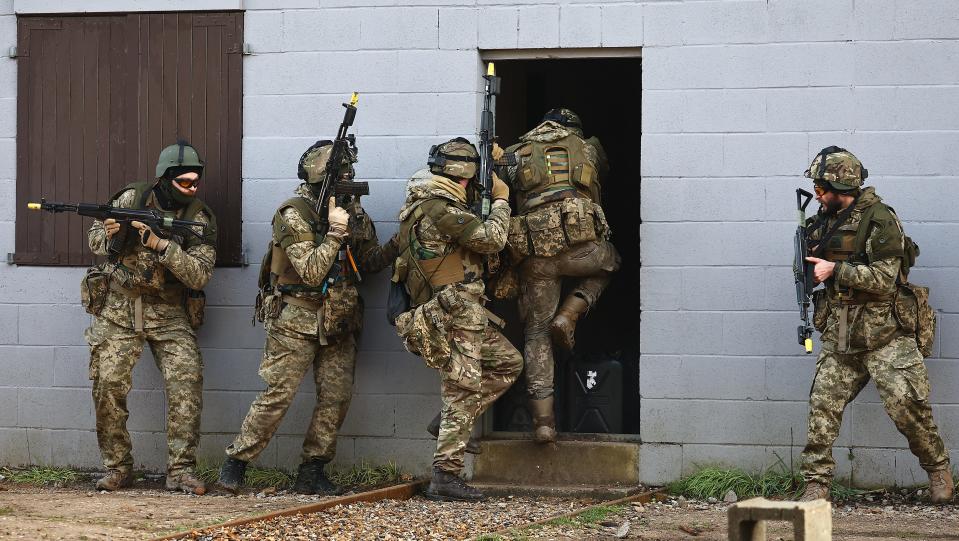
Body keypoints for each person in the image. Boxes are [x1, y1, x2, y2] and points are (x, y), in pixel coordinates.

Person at [217, 140, 395, 495]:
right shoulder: (292, 213)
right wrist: (334, 232)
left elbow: (369, 264)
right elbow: (312, 271)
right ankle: (236, 464)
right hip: (296, 318)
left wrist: (401, 242)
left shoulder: (353, 212)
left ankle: (312, 470)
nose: (349, 180)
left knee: (336, 397)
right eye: (341, 175)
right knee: (278, 394)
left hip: (339, 320)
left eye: (350, 173)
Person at [799, 146, 952, 503]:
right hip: (841, 331)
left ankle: (938, 470)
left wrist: (835, 269)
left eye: (822, 190)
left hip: (886, 333)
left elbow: (885, 279)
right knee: (823, 405)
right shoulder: (821, 221)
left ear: (843, 188)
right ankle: (816, 483)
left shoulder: (881, 219)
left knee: (908, 408)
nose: (817, 196)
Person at [393, 138, 523, 501]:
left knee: (508, 363)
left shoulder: (426, 202)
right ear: (461, 179)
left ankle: (451, 419)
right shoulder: (438, 208)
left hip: (465, 308)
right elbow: (491, 239)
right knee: (462, 389)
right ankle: (445, 476)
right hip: (454, 310)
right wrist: (500, 198)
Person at [85, 140, 217, 495]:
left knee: (186, 381)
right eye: (185, 182)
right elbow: (95, 237)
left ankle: (180, 470)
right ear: (165, 178)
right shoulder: (131, 199)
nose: (192, 188)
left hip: (168, 309)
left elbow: (200, 275)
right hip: (120, 306)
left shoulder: (198, 217)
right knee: (108, 382)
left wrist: (164, 246)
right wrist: (110, 236)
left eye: (196, 182)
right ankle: (117, 467)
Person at [494, 108, 620, 443]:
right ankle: (571, 312)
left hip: (536, 255)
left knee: (536, 334)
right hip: (582, 250)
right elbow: (601, 176)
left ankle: (543, 424)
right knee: (611, 261)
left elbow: (494, 194)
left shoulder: (513, 154)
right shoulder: (588, 146)